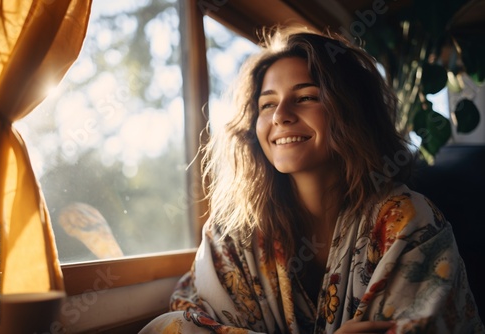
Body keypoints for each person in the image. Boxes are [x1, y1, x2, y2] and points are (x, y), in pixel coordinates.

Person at [140, 27, 484, 333]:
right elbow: (188, 320)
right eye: (266, 104)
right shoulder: (231, 232)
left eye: (305, 98)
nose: (281, 116)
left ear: (350, 111)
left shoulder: (406, 219)